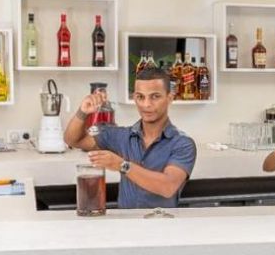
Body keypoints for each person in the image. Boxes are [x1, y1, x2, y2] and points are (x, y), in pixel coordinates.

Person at [64, 67, 196, 208]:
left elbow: (167, 187)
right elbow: (73, 140)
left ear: (170, 98)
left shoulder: (182, 144)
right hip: (125, 221)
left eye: (155, 96)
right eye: (140, 97)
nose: (146, 104)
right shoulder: (121, 137)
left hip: (162, 220)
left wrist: (122, 165)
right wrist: (83, 112)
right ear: (135, 98)